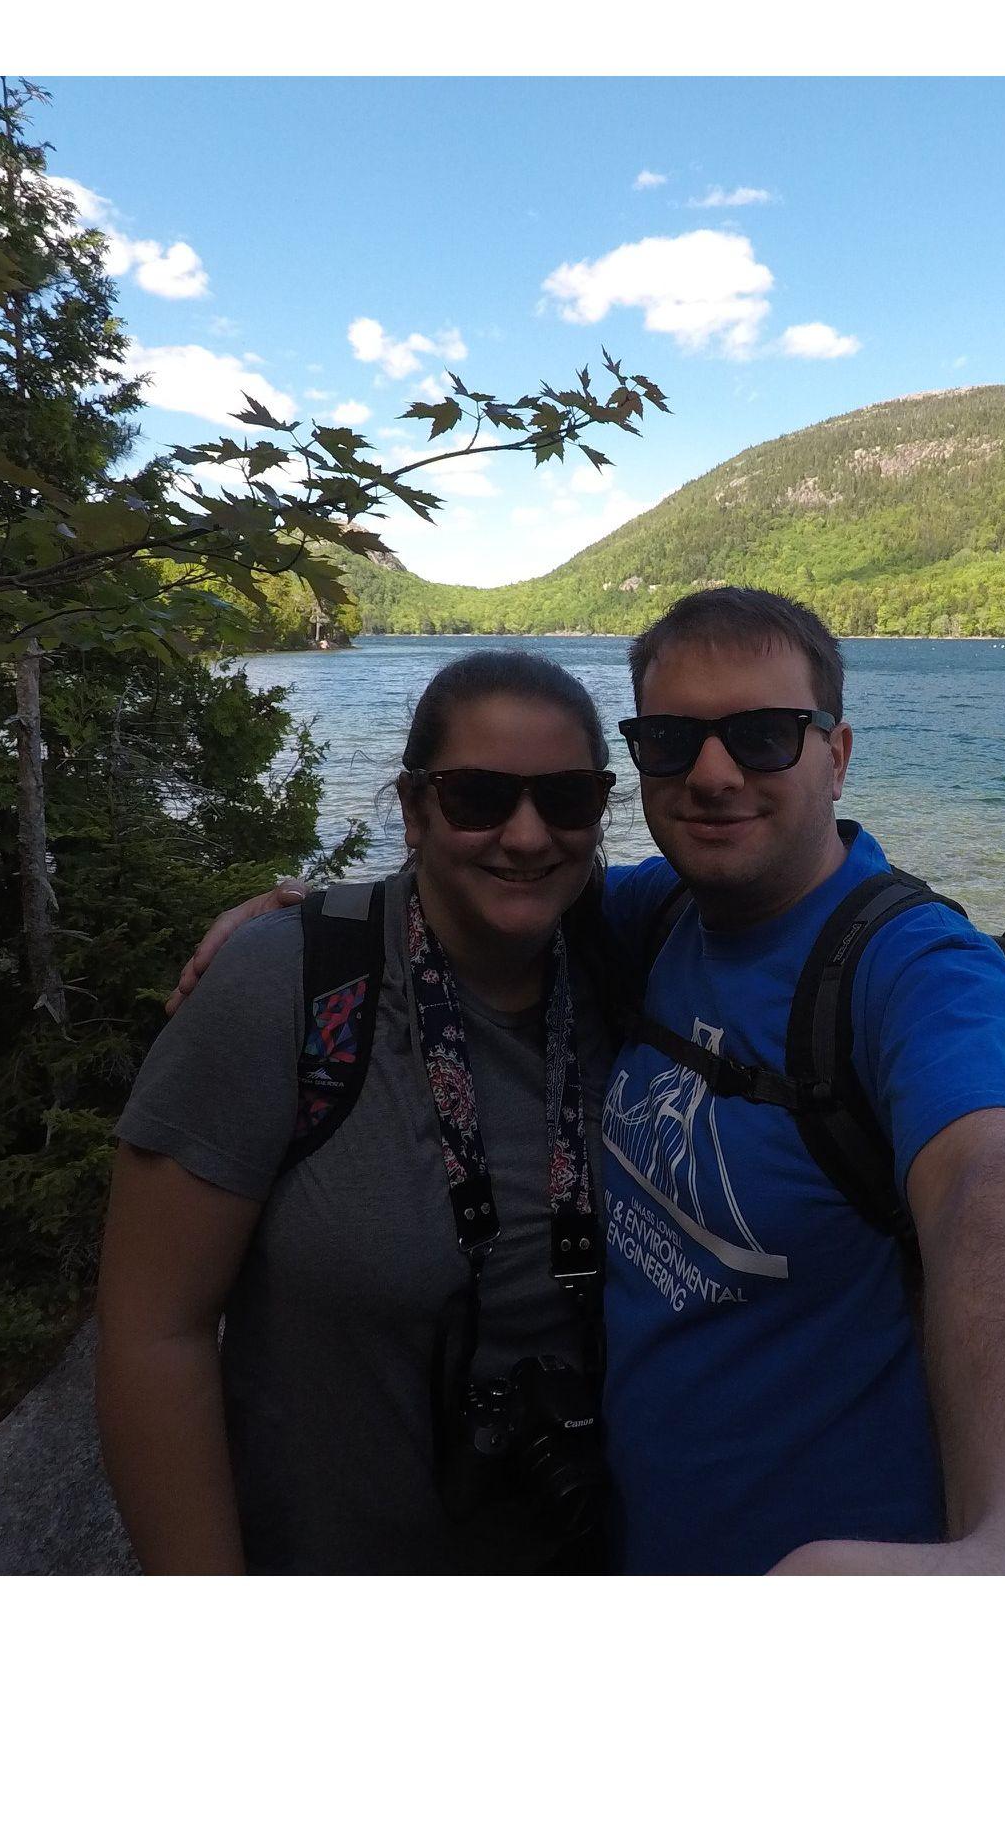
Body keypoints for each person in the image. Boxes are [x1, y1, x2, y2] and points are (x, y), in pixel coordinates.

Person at [174, 590, 1005, 1574]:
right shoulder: (657, 915)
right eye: (673, 740)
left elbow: (998, 1187)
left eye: (765, 735)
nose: (714, 773)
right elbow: (500, 878)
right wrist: (311, 926)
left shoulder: (913, 971)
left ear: (837, 753)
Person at [95, 650, 618, 1574]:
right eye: (478, 798)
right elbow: (153, 1334)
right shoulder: (288, 984)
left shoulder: (633, 967)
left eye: (568, 798)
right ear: (415, 811)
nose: (529, 835)